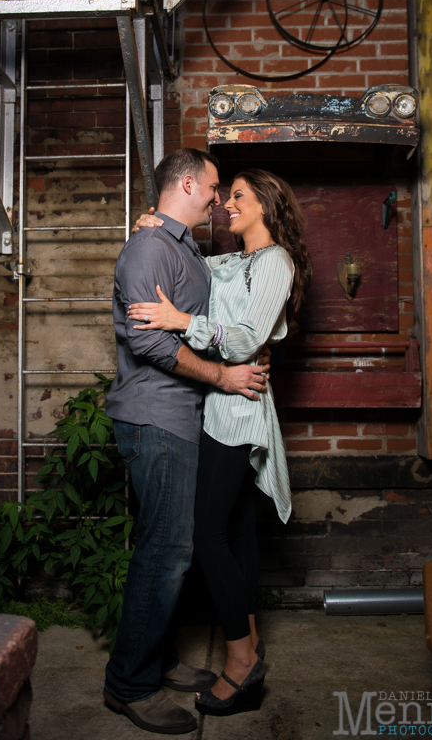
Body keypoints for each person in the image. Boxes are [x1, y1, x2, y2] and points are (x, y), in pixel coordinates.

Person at [128, 169, 310, 718]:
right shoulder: (227, 262)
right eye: (224, 194)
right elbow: (181, 268)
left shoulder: (276, 261)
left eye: (237, 196)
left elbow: (250, 338)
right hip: (216, 406)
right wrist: (149, 227)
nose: (226, 204)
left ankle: (239, 663)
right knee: (233, 531)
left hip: (240, 409)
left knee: (207, 533)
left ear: (266, 205)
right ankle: (250, 642)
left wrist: (181, 320)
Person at [103, 148, 271, 736]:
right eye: (215, 186)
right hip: (156, 419)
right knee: (167, 552)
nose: (219, 198)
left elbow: (230, 299)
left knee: (171, 548)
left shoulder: (178, 246)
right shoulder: (153, 247)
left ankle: (156, 661)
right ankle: (130, 684)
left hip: (181, 418)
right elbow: (148, 343)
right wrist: (222, 375)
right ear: (190, 182)